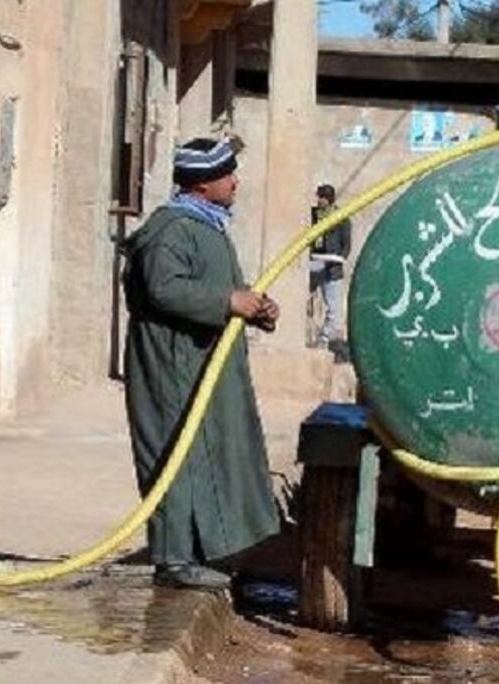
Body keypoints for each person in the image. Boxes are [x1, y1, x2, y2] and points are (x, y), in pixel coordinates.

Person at [122, 137, 280, 590]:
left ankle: (203, 550)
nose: (235, 182)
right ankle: (174, 559)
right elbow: (165, 289)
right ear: (203, 184)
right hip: (173, 365)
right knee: (175, 454)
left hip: (201, 364)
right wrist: (229, 301)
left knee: (209, 455)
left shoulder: (208, 227)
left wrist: (257, 308)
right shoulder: (171, 230)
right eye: (227, 174)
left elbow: (222, 288)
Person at [308, 184, 352, 352]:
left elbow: (346, 245)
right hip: (314, 263)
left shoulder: (341, 218)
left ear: (329, 199)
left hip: (332, 268)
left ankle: (324, 338)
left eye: (322, 198)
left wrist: (338, 258)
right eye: (319, 197)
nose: (319, 201)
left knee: (334, 307)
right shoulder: (314, 215)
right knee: (308, 301)